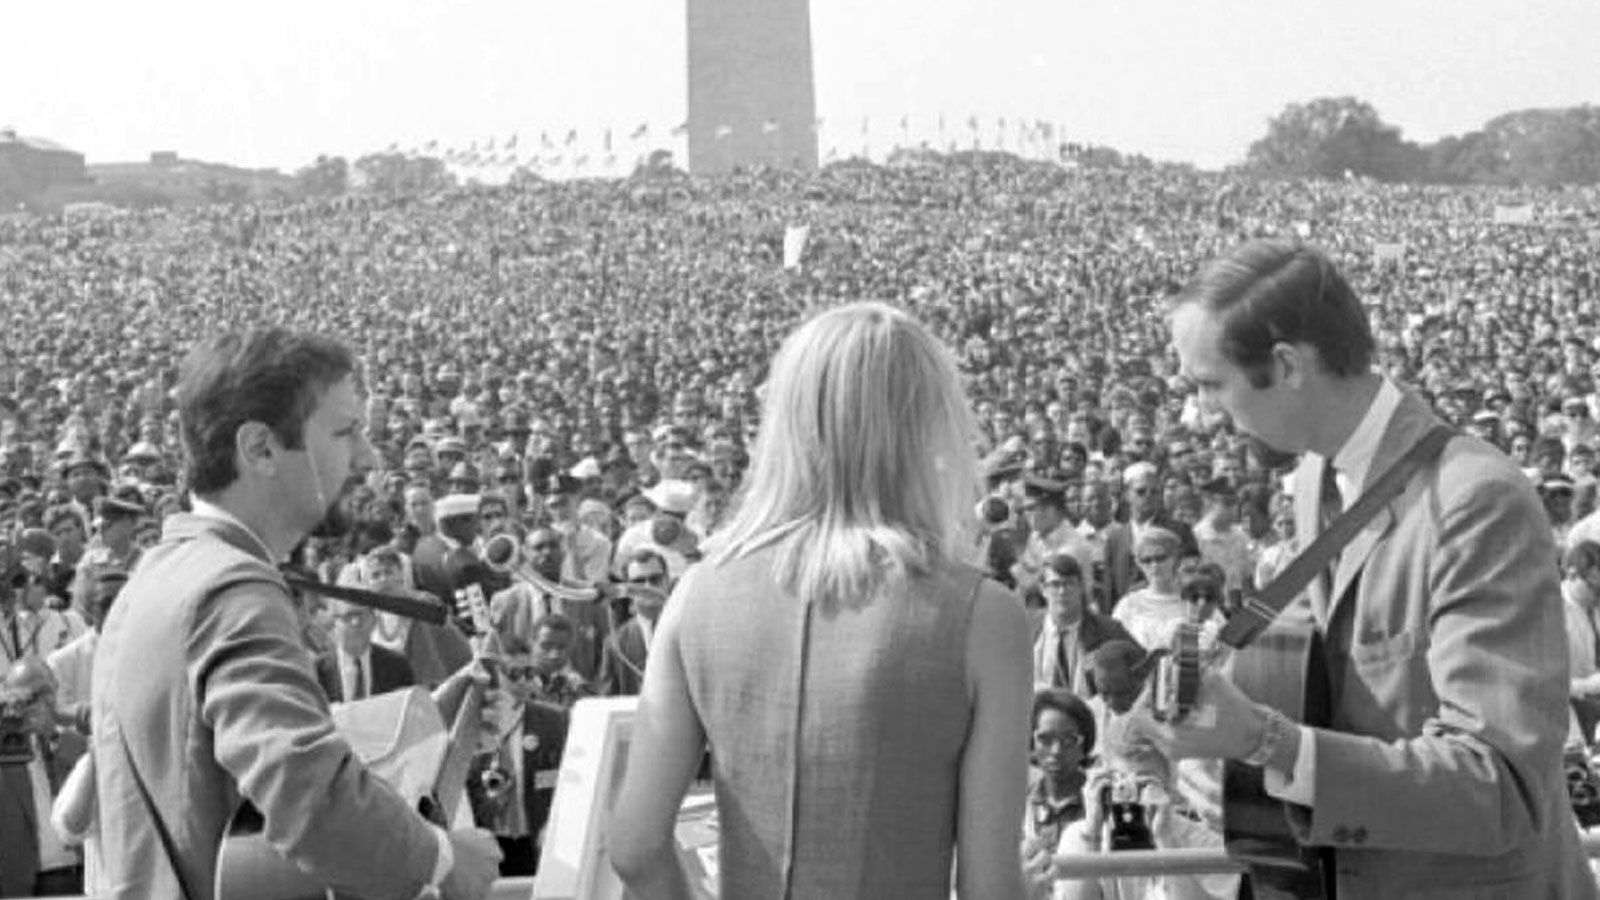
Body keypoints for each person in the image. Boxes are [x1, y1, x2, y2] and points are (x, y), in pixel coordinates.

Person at [1146, 240, 1593, 898]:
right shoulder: (1312, 477)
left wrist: (1267, 743)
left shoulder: (1473, 501)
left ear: (1288, 365)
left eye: (1212, 385)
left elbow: (1498, 786)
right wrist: (1203, 714)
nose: (1206, 413)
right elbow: (1324, 670)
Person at [611, 302, 1031, 900]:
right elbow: (992, 890)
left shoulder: (696, 595)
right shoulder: (984, 616)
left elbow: (634, 846)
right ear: (927, 429)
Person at [89, 328, 501, 900]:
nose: (369, 456)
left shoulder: (160, 576)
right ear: (260, 449)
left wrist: (433, 713)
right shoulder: (233, 590)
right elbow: (304, 788)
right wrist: (442, 860)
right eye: (345, 432)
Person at [1031, 552, 1135, 695]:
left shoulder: (1108, 631)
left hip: (1089, 713)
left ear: (1081, 586)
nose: (1062, 591)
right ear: (1043, 589)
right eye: (1055, 584)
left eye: (1069, 583)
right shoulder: (1025, 628)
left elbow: (1141, 670)